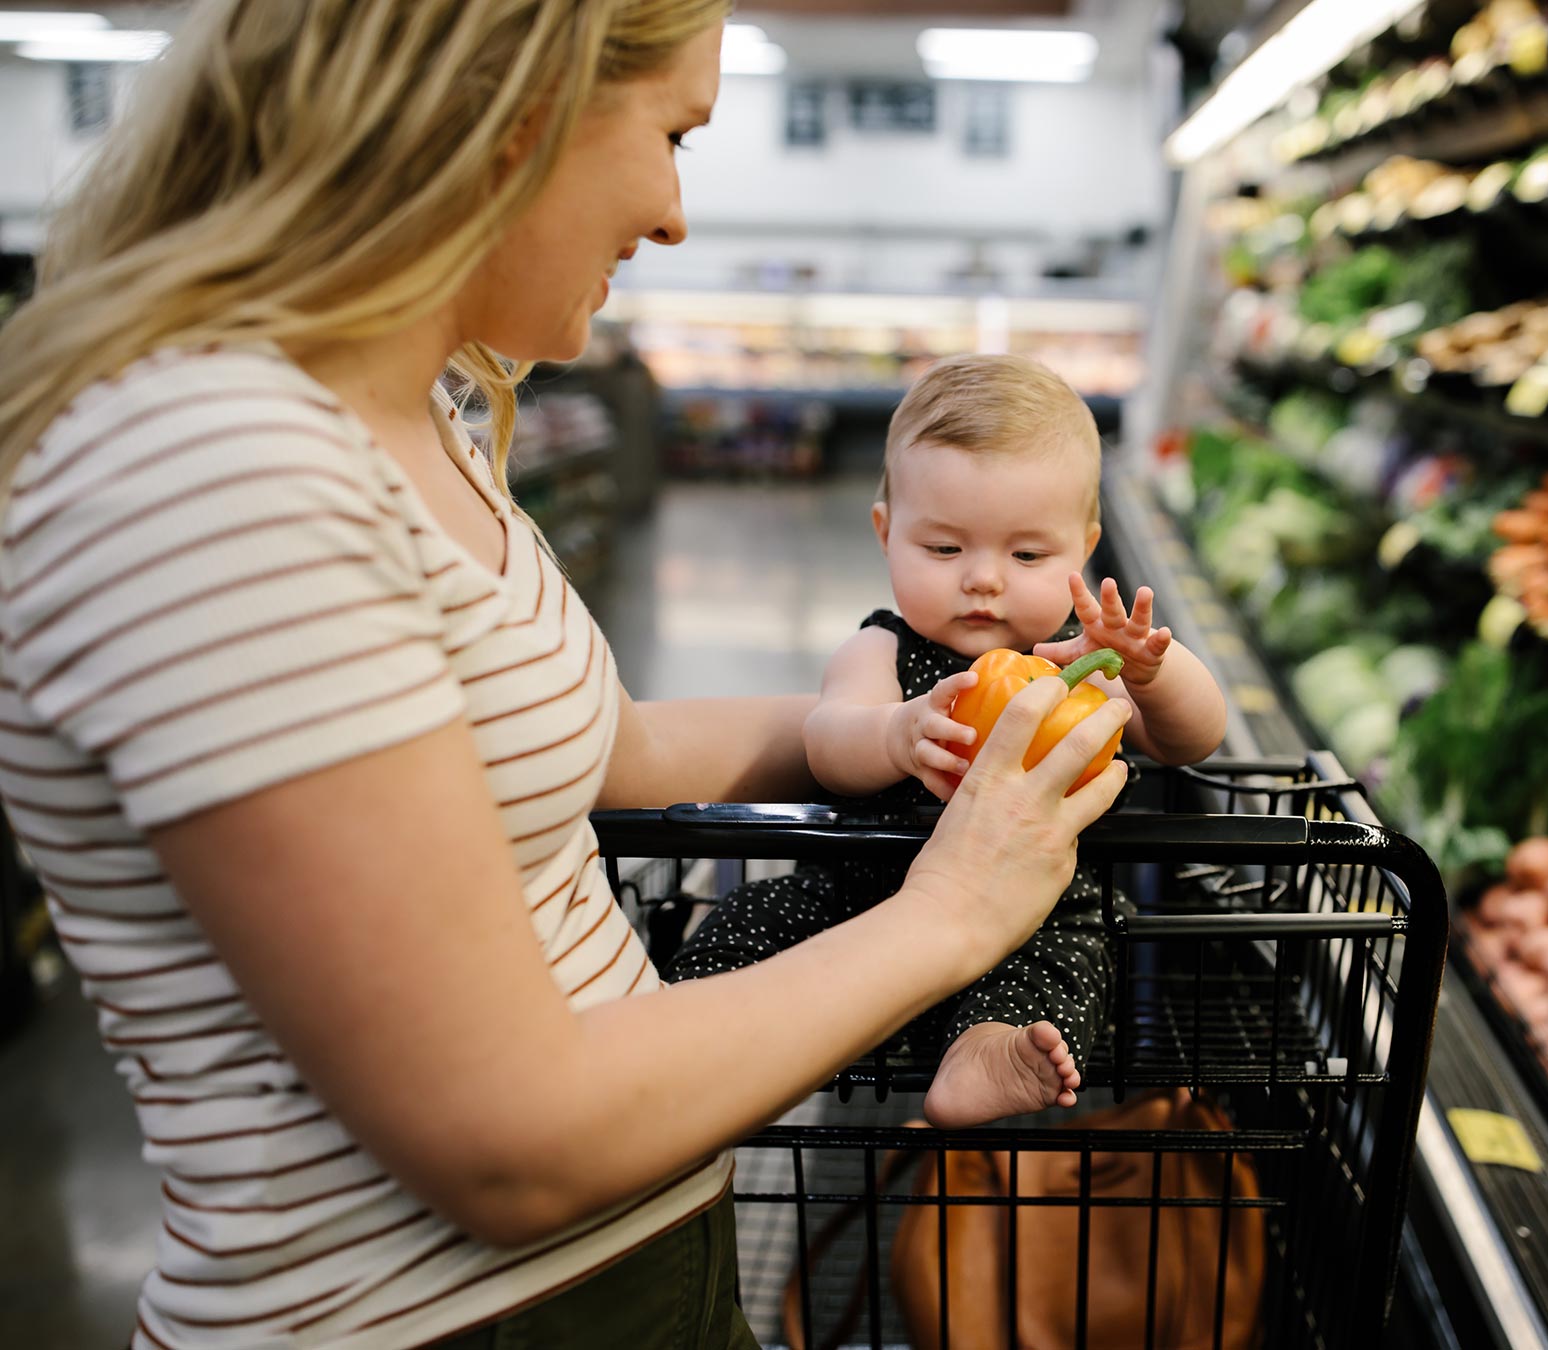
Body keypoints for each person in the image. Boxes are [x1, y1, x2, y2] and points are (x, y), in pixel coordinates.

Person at [0, 6, 1134, 1348]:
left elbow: (621, 752)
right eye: (671, 134)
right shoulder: (224, 466)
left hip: (615, 1279)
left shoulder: (413, 419)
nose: (672, 215)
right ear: (506, 107)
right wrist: (958, 903)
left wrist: (909, 729)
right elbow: (506, 1139)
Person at [669, 354, 1227, 1127]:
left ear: (1085, 546)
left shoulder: (1080, 666)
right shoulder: (883, 653)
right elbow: (828, 739)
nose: (985, 580)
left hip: (1035, 910)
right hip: (861, 902)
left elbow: (1194, 739)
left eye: (1028, 555)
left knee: (1074, 957)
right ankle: (688, 1024)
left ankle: (987, 1051)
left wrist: (1154, 672)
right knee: (744, 920)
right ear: (886, 533)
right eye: (944, 550)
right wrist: (894, 733)